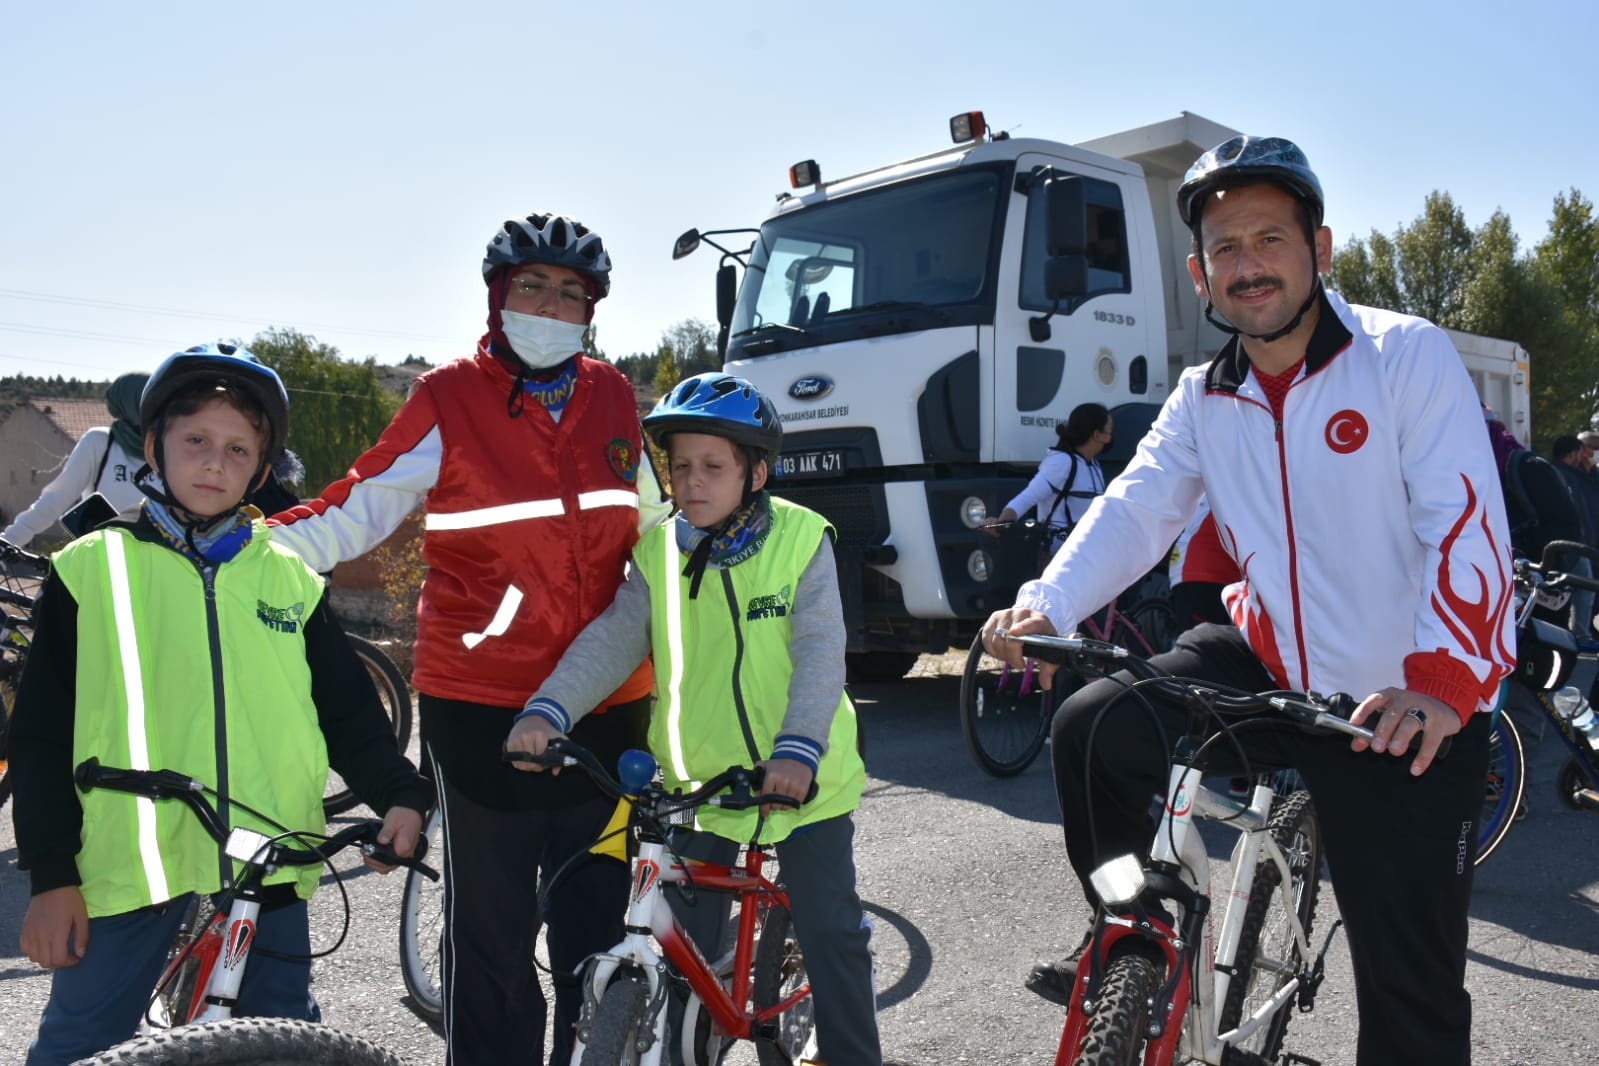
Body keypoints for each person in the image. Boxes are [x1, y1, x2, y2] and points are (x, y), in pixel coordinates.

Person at [983, 136, 1513, 1066]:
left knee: (1411, 998)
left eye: (1269, 238)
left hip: (1402, 703)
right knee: (1091, 724)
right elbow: (1136, 508)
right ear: (1198, 274)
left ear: (1322, 247)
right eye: (1225, 249)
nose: (1248, 265)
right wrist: (1047, 605)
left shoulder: (1403, 357)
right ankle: (1129, 926)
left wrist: (1442, 679)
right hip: (1271, 669)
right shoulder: (1201, 397)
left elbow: (1462, 524)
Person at [266, 212, 669, 1066]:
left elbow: (661, 536)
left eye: (571, 294)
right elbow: (351, 509)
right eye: (532, 286)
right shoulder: (447, 396)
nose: (550, 306)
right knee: (489, 935)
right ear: (497, 296)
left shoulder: (616, 397)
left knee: (597, 931)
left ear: (591, 310)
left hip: (606, 705)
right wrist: (227, 545)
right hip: (479, 704)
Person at [9, 344, 431, 1066]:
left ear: (262, 470)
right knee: (79, 1045)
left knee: (285, 1039)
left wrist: (399, 794)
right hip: (132, 869)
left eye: (238, 449)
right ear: (153, 446)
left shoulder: (290, 577)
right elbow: (41, 735)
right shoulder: (95, 566)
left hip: (271, 859)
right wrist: (51, 878)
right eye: (195, 440)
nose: (214, 462)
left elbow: (347, 713)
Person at [506, 372, 881, 1066]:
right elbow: (613, 637)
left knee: (830, 930)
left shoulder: (800, 540)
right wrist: (547, 708)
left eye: (713, 466)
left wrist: (798, 750)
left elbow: (821, 650)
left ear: (756, 472)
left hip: (802, 781)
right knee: (680, 953)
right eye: (680, 466)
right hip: (697, 789)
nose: (692, 481)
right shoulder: (657, 553)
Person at [3, 372, 151, 546]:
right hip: (105, 561)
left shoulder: (170, 448)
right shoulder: (100, 443)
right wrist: (9, 541)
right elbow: (55, 500)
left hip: (162, 563)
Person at [986, 402, 1112, 552]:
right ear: (1097, 435)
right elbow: (1027, 498)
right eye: (1110, 431)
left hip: (1088, 555)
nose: (1112, 437)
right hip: (1060, 557)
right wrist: (1001, 525)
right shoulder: (1062, 463)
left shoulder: (1094, 465)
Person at [1551, 434, 1599, 637]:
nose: (1590, 454)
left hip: (1579, 542)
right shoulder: (1564, 476)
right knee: (1582, 590)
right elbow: (1576, 512)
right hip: (1574, 544)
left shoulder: (1576, 475)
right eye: (1587, 449)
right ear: (1573, 453)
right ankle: (1580, 635)